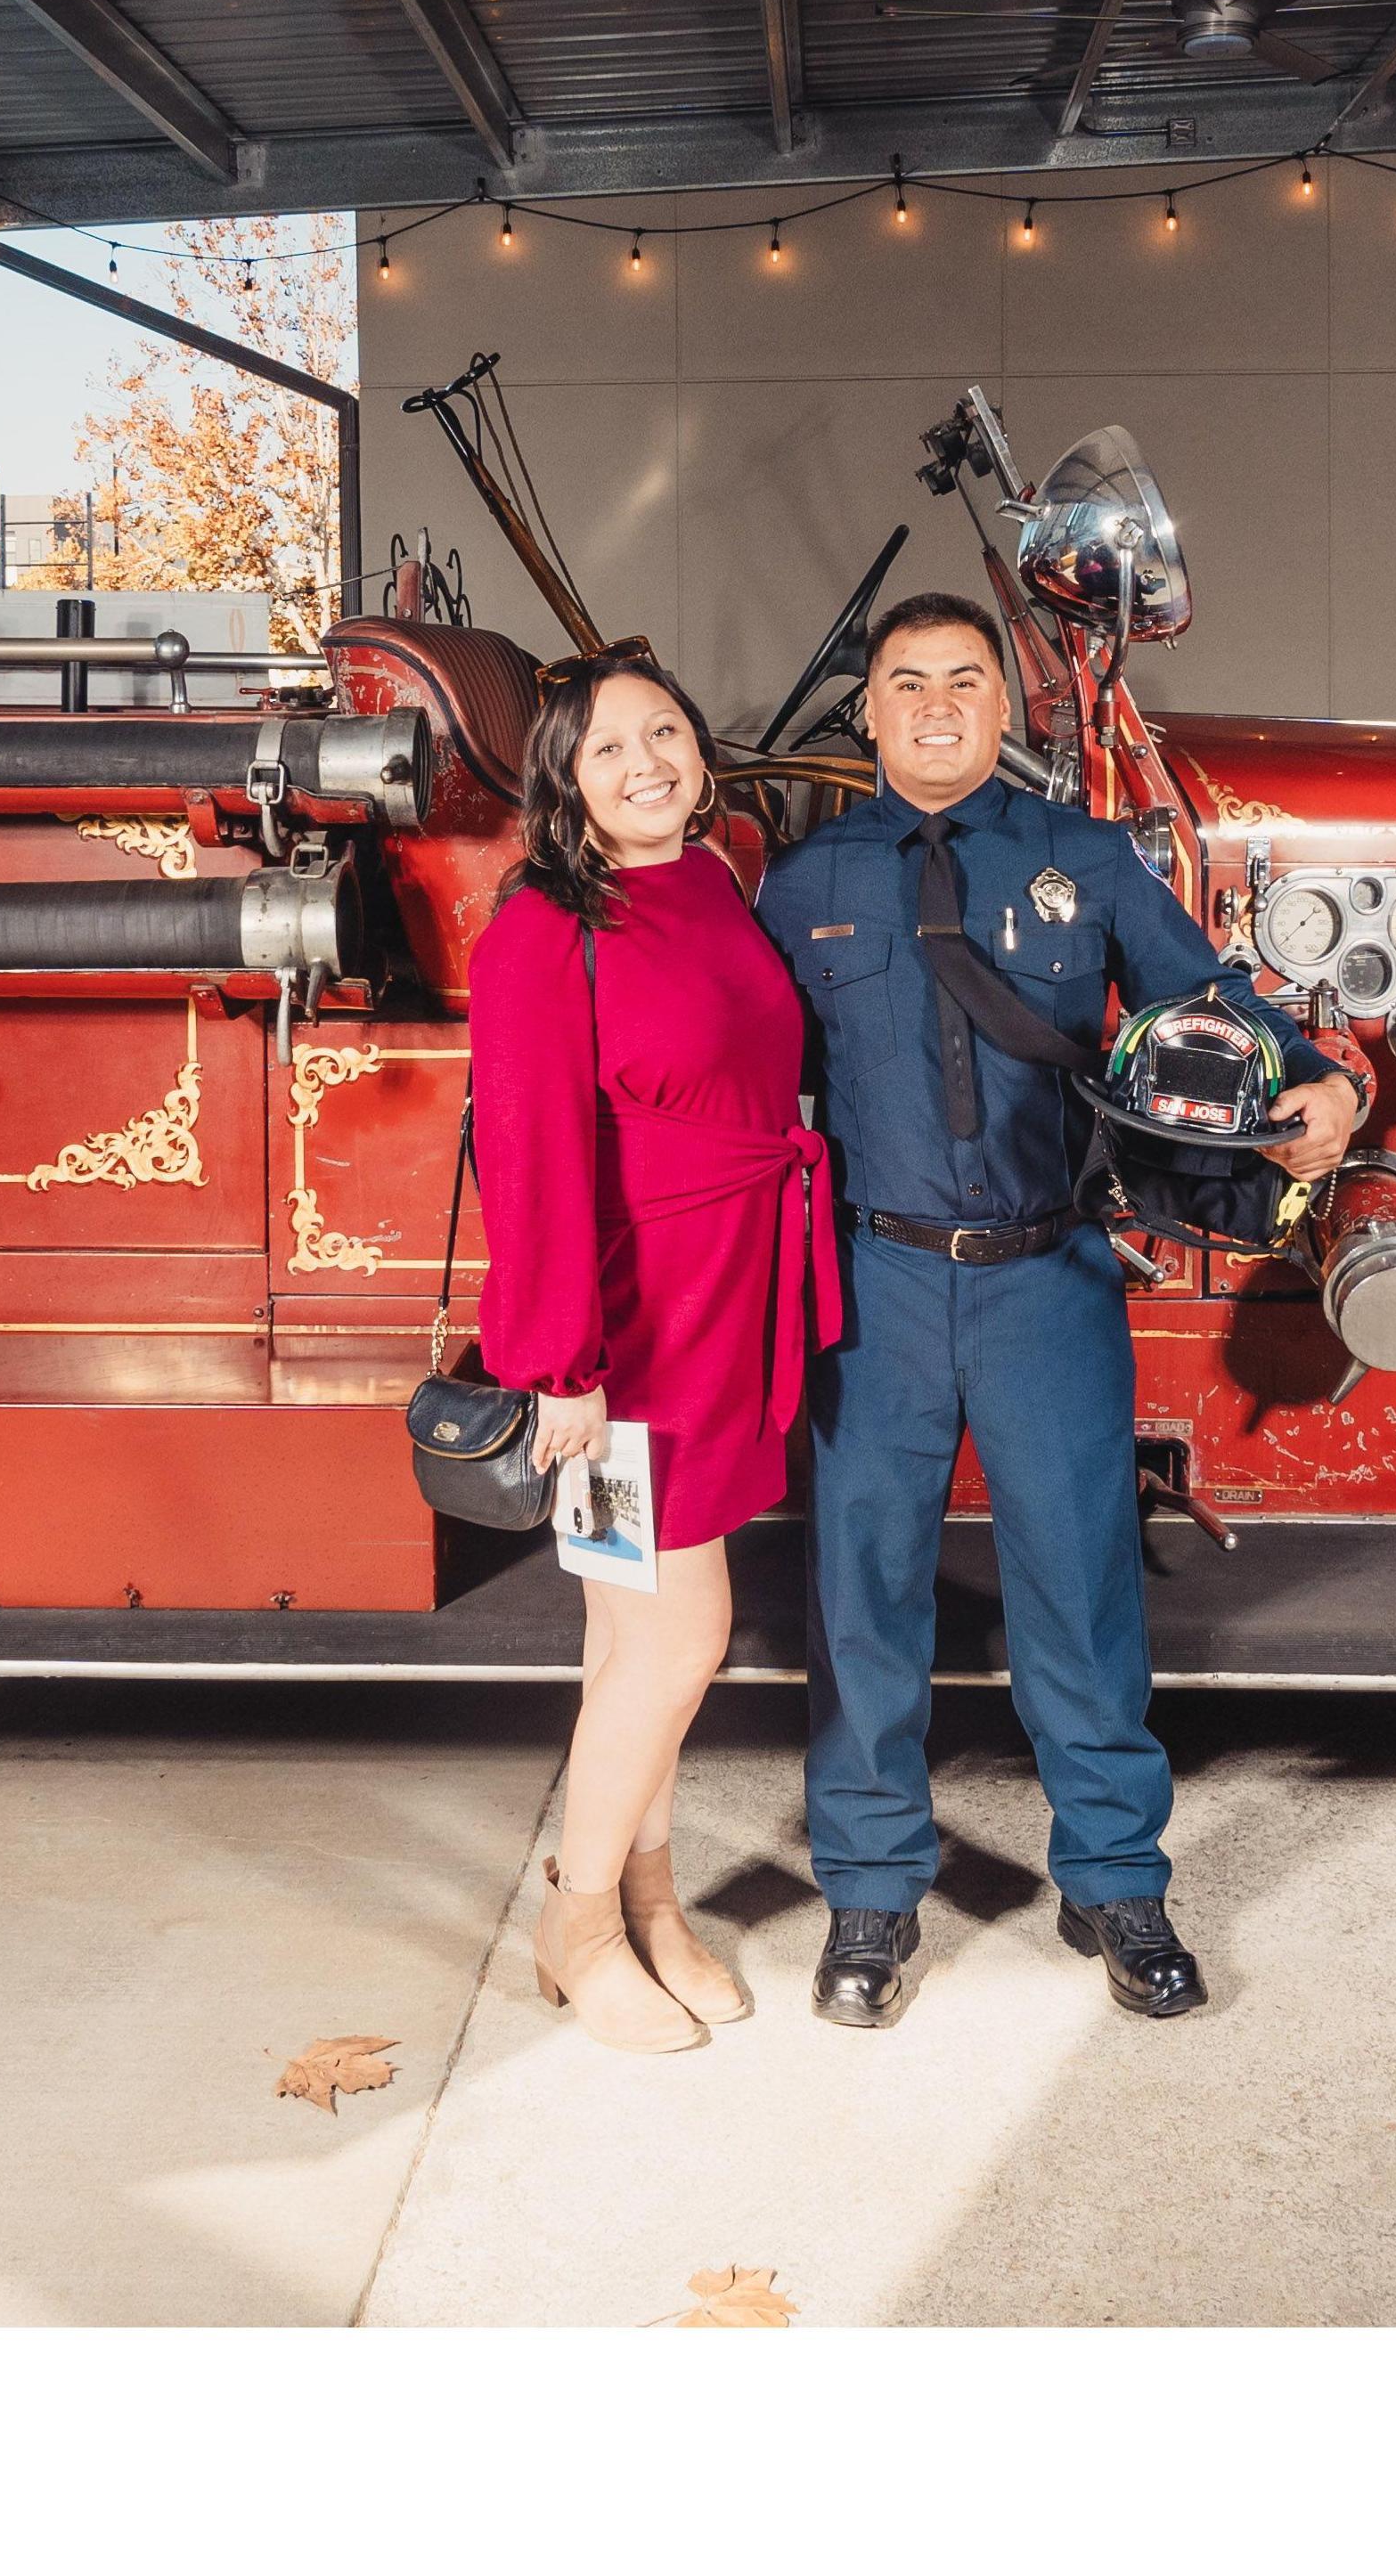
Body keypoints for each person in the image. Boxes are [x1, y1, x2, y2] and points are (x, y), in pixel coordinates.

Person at [758, 593, 1361, 2030]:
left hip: (1046, 1276)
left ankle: (1113, 1878)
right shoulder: (798, 881)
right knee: (862, 1598)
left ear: (1006, 705)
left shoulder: (1080, 858)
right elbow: (730, 1061)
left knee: (1082, 1591)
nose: (936, 706)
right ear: (869, 711)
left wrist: (1325, 1076)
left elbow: (1200, 999)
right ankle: (868, 1892)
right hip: (875, 1285)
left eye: (964, 680)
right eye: (905, 684)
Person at [469, 640, 842, 2056]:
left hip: (730, 1295)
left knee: (628, 1642)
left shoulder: (717, 885)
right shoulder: (545, 929)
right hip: (626, 1331)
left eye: (664, 729)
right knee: (675, 1638)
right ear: (562, 780)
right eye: (607, 745)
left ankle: (650, 1899)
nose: (645, 761)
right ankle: (574, 1927)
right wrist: (562, 1363)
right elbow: (533, 1157)